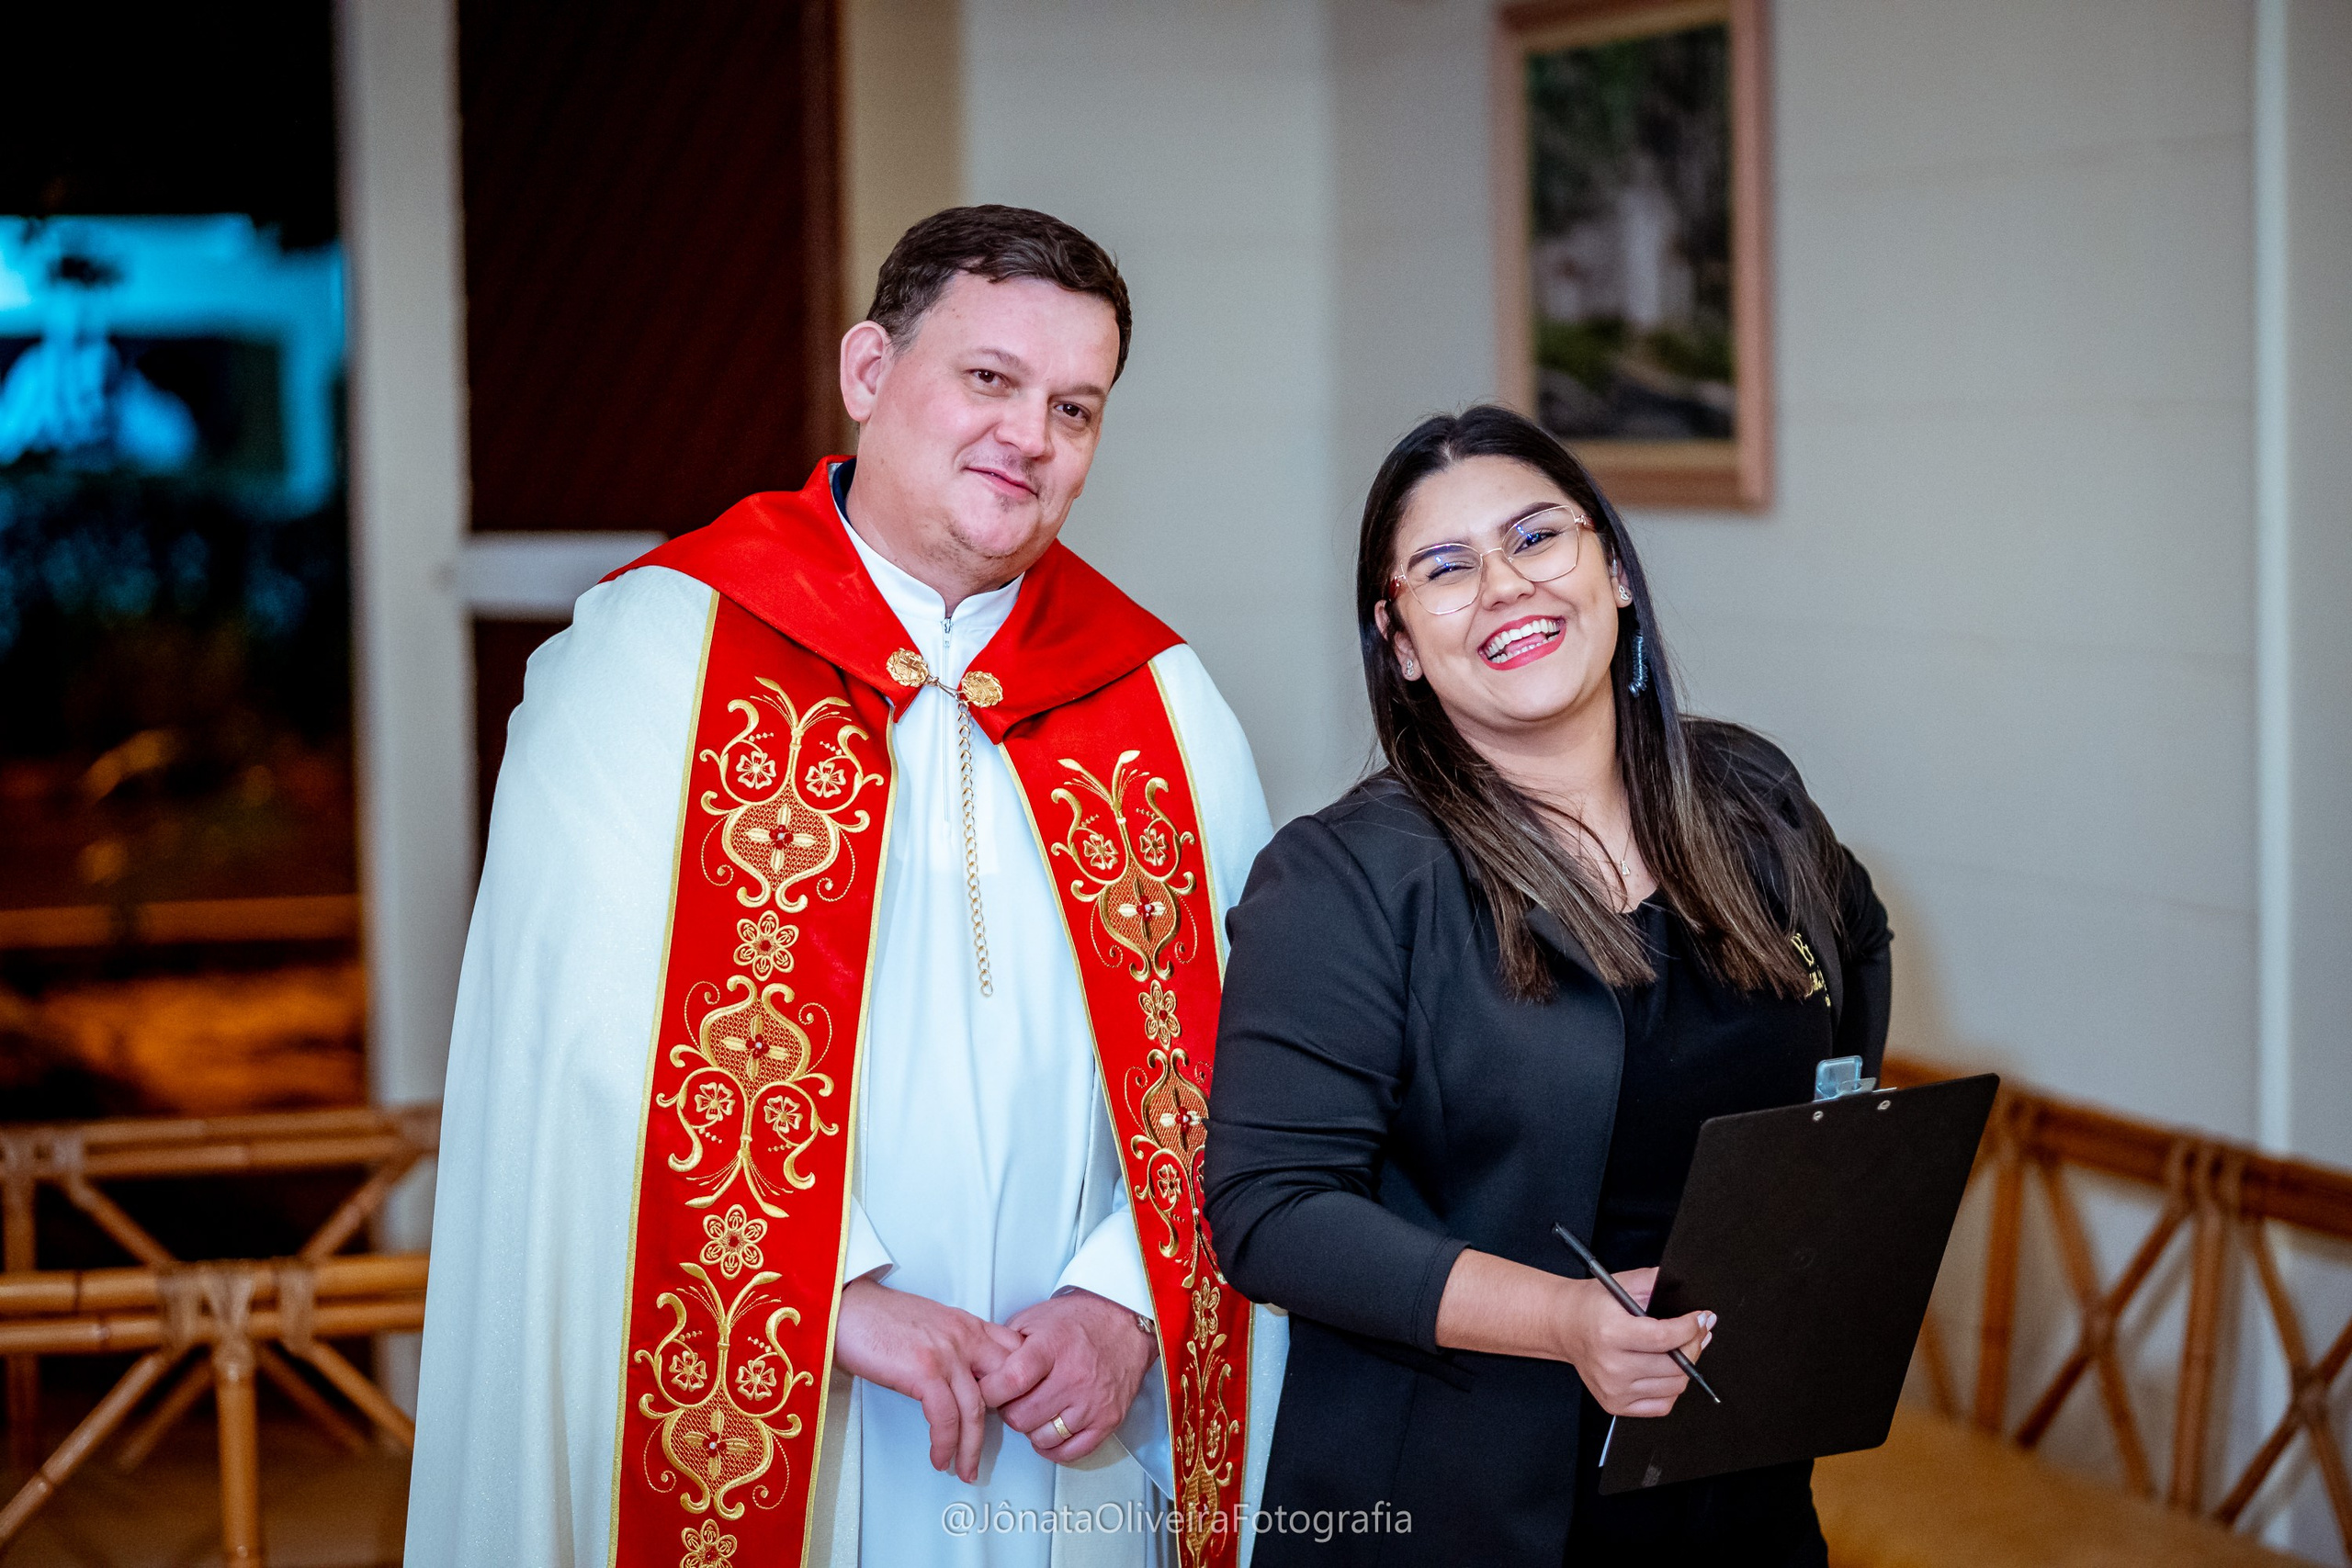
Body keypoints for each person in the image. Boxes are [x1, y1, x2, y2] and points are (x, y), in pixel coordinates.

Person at [408, 206, 1286, 1568]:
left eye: (1075, 407)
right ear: (869, 371)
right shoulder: (653, 657)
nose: (1030, 437)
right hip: (786, 1396)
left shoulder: (1162, 703)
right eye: (987, 378)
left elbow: (1252, 1047)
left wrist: (1124, 1300)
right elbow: (585, 1041)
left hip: (1076, 1427)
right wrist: (835, 1290)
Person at [1203, 404, 1892, 1563]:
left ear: (1613, 570)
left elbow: (1855, 964)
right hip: (1455, 1498)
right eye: (1444, 567)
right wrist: (1564, 1320)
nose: (1505, 587)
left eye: (1536, 539)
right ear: (1401, 641)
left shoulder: (1748, 794)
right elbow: (1270, 1212)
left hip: (1730, 1481)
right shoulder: (1346, 879)